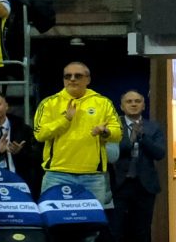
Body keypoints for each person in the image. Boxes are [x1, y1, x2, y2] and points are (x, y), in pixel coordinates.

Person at [30, 61, 121, 206]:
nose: (72, 79)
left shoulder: (103, 103)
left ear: (88, 80)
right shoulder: (49, 103)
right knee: (55, 222)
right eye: (67, 76)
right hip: (57, 174)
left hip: (93, 176)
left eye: (77, 76)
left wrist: (105, 131)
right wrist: (65, 119)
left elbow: (118, 133)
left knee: (92, 224)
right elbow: (40, 134)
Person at [111, 90, 162, 242]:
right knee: (115, 230)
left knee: (141, 232)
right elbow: (112, 153)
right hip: (119, 185)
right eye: (129, 101)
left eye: (137, 101)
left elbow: (160, 153)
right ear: (122, 106)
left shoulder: (152, 127)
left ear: (144, 105)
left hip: (144, 186)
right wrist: (130, 141)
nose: (133, 104)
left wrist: (142, 137)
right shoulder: (113, 125)